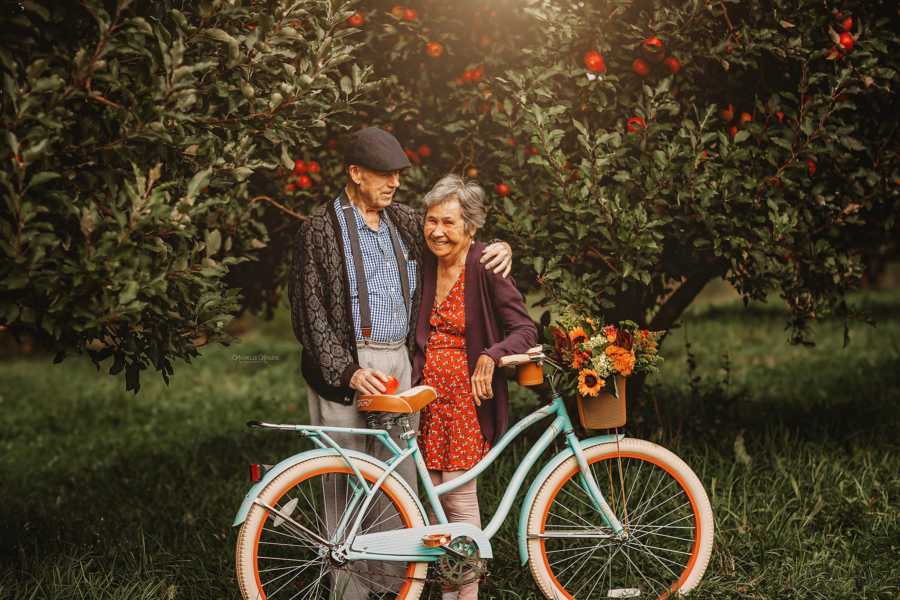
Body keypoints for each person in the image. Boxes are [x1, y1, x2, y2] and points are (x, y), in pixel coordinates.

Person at [288, 127, 512, 599]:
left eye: (397, 175)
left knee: (399, 478)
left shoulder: (403, 220)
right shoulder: (319, 230)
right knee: (346, 473)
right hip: (346, 369)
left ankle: (395, 586)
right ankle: (349, 589)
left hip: (401, 363)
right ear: (355, 174)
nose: (394, 183)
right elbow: (308, 316)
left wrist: (500, 248)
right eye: (384, 175)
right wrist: (348, 370)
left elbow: (453, 234)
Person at [412, 174, 538, 600]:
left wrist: (492, 355)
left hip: (465, 405)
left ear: (471, 227)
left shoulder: (485, 265)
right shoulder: (424, 261)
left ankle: (465, 596)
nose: (438, 231)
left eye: (449, 222)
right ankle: (450, 590)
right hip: (423, 402)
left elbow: (524, 329)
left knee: (460, 507)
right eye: (431, 221)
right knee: (432, 503)